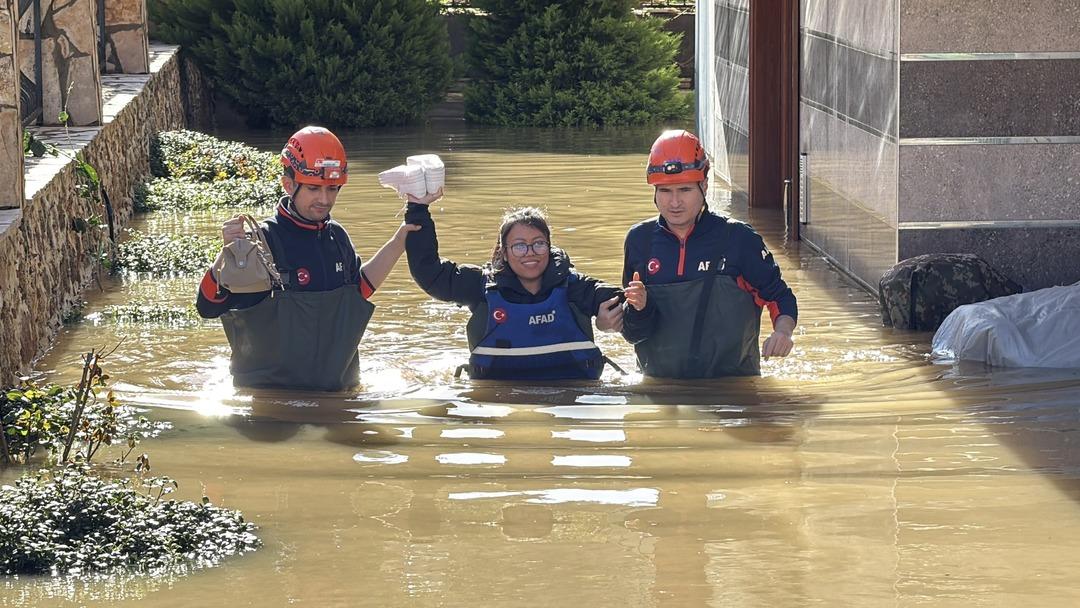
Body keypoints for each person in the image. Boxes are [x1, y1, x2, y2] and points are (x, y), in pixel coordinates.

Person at [196, 126, 418, 391]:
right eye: (314, 188)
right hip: (271, 398)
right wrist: (227, 259)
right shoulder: (261, 242)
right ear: (288, 185)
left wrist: (399, 242)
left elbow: (358, 292)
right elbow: (207, 308)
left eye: (332, 189)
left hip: (338, 393)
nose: (324, 199)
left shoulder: (337, 237)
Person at [621, 129, 798, 378]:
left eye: (685, 190)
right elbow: (632, 333)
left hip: (732, 388)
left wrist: (783, 332)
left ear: (704, 185)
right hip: (659, 387)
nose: (674, 203)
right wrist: (638, 309)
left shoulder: (738, 238)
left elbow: (780, 296)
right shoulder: (639, 240)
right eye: (665, 191)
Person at [404, 194, 624, 380]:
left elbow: (626, 304)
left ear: (549, 247)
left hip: (573, 396)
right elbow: (429, 273)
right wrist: (417, 208)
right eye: (519, 246)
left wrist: (609, 321)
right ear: (504, 253)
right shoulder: (480, 286)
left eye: (539, 244)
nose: (530, 253)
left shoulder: (576, 287)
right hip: (496, 398)